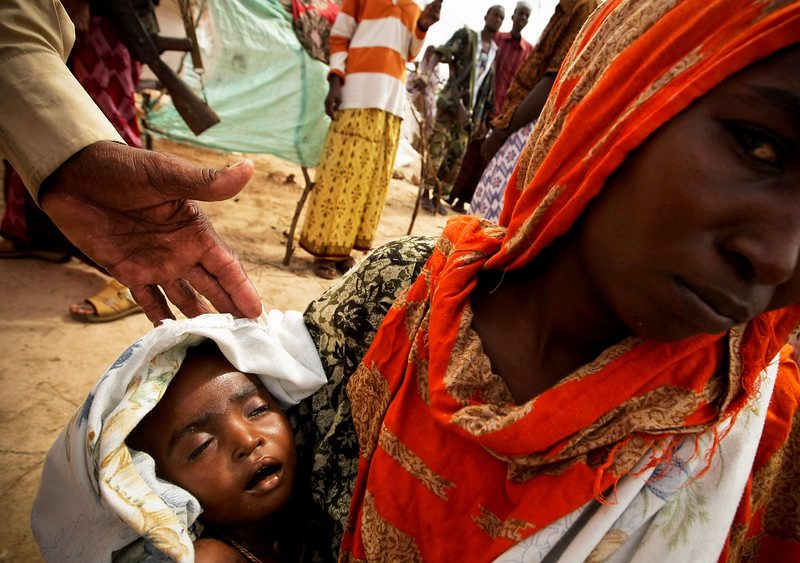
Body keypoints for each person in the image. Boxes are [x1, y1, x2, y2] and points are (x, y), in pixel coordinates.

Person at [290, 0, 800, 559]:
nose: (780, 258)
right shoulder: (396, 296)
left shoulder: (763, 443)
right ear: (622, 89)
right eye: (759, 146)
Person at [0, 0, 261, 324]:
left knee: (108, 133)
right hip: (56, 35)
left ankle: (131, 275)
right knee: (42, 152)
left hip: (98, 30)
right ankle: (37, 237)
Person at [33, 311, 327, 560]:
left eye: (257, 410)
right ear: (162, 487)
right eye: (201, 446)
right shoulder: (212, 556)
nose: (248, 440)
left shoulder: (317, 496)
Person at [2, 0, 148, 322]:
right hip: (42, 17)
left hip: (96, 18)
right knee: (27, 123)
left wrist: (79, 3)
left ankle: (138, 271)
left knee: (101, 130)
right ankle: (36, 236)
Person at [298, 0, 442, 280]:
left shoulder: (416, 4)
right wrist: (336, 80)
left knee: (368, 181)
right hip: (356, 93)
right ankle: (324, 250)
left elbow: (410, 53)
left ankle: (345, 250)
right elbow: (340, 34)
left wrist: (423, 25)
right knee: (341, 173)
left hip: (390, 101)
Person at [471, 0, 598, 222]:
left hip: (530, 125)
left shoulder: (584, 7)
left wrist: (502, 132)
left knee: (491, 218)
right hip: (519, 118)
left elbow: (555, 79)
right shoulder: (567, 7)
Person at [445, 1, 533, 214]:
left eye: (525, 17)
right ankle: (454, 196)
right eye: (519, 14)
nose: (521, 19)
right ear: (512, 16)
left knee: (487, 158)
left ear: (527, 21)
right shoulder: (496, 40)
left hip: (505, 111)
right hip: (483, 106)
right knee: (471, 151)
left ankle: (468, 202)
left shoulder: (528, 51)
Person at [420, 5, 505, 215]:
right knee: (438, 147)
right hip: (451, 104)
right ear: (486, 16)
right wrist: (425, 74)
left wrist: (483, 119)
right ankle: (426, 193)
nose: (497, 20)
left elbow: (487, 87)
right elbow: (442, 52)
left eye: (501, 18)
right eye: (495, 15)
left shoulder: (494, 52)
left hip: (470, 115)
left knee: (455, 156)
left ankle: (438, 196)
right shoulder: (467, 36)